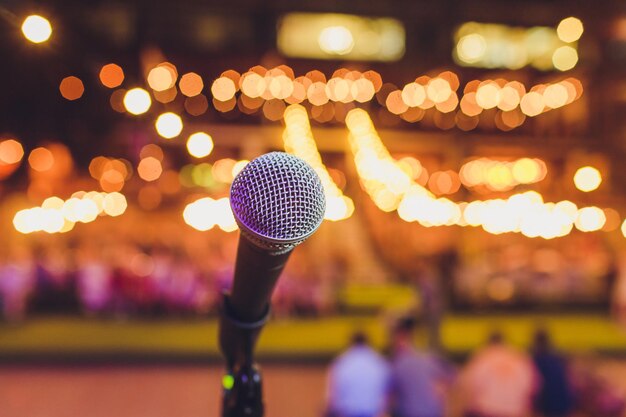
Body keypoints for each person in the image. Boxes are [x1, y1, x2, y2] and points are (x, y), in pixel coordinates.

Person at [458, 330, 539, 417]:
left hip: (487, 410)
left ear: (489, 342)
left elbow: (467, 386)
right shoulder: (520, 357)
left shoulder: (483, 356)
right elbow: (533, 387)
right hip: (515, 411)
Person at [389, 316, 455, 417]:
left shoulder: (397, 365)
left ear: (400, 338)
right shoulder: (430, 359)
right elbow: (453, 378)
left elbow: (390, 399)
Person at [325, 331, 390, 417]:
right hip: (372, 413)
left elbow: (331, 397)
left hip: (347, 412)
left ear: (351, 343)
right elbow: (387, 393)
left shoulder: (342, 362)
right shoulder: (379, 362)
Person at [531, 329, 574, 417]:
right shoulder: (558, 357)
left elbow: (536, 385)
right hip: (563, 403)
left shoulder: (538, 359)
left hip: (548, 402)